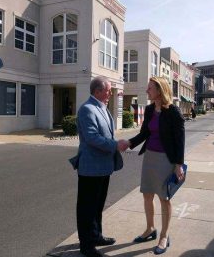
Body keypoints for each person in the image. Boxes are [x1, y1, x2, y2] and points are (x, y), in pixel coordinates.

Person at [127, 76, 185, 255]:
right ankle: (150, 229)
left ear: (160, 90)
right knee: (147, 195)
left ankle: (164, 236)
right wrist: (128, 143)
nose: (147, 91)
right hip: (150, 157)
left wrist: (178, 164)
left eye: (150, 88)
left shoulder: (173, 112)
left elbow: (179, 140)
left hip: (166, 160)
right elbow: (144, 133)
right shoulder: (151, 109)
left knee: (164, 199)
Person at [76, 76, 128, 257]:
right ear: (97, 91)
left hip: (103, 168)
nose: (110, 93)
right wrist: (115, 145)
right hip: (90, 168)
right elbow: (92, 138)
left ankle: (96, 236)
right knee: (87, 208)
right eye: (107, 90)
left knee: (98, 205)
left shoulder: (102, 108)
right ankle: (86, 246)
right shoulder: (87, 109)